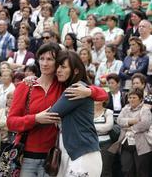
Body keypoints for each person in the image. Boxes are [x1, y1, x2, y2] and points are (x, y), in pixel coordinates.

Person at [7, 43, 107, 176]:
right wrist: (35, 119)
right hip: (27, 156)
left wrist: (89, 91)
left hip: (54, 157)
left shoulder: (63, 85)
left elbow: (103, 94)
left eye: (50, 59)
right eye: (41, 59)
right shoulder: (26, 86)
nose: (44, 63)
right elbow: (11, 122)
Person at [49, 50, 103, 176]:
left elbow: (51, 114)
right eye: (57, 66)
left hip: (84, 154)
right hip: (78, 153)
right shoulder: (79, 87)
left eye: (63, 67)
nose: (58, 70)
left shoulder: (75, 89)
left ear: (76, 70)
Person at [115, 88, 152, 177]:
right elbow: (119, 120)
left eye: (134, 97)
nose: (131, 100)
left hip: (142, 144)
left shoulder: (145, 109)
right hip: (126, 143)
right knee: (126, 169)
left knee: (141, 171)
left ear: (140, 99)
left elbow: (145, 124)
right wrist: (132, 120)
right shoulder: (125, 108)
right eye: (130, 98)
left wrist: (131, 128)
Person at [94, 100, 114, 177]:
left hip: (105, 144)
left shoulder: (108, 112)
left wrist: (92, 127)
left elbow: (108, 127)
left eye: (98, 98)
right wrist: (100, 128)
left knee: (105, 169)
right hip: (90, 144)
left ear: (103, 100)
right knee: (93, 168)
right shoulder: (87, 111)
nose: (96, 100)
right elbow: (83, 127)